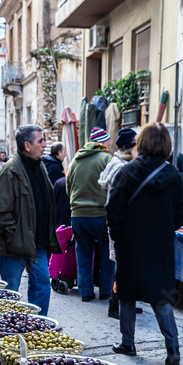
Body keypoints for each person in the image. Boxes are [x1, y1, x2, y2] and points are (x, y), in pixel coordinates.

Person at [106, 123, 183, 365]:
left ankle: (128, 343)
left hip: (130, 243)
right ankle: (172, 348)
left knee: (127, 294)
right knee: (161, 296)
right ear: (166, 145)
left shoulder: (125, 172)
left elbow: (113, 211)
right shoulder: (174, 175)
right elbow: (182, 215)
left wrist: (119, 235)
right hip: (160, 245)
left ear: (140, 143)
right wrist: (162, 228)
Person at [0, 124, 61, 316]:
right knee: (10, 293)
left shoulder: (41, 166)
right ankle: (8, 332)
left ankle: (37, 327)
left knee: (42, 287)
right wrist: (14, 237)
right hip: (14, 246)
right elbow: (0, 213)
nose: (45, 144)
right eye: (41, 141)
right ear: (27, 145)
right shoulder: (11, 171)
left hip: (37, 244)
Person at [67, 127, 114, 303]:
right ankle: (105, 291)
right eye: (108, 141)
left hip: (77, 215)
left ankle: (86, 293)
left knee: (83, 254)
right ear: (102, 142)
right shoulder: (107, 159)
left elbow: (68, 187)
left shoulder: (75, 160)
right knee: (107, 256)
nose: (110, 144)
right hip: (100, 215)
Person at [99, 127, 136, 319]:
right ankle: (116, 304)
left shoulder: (115, 163)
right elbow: (119, 199)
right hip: (121, 223)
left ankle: (123, 301)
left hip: (118, 222)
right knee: (121, 266)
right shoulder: (121, 168)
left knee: (122, 264)